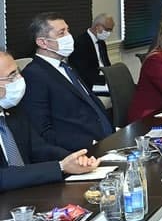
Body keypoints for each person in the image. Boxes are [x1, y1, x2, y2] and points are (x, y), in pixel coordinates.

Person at [0, 51, 100, 192]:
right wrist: (60, 167)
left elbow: (38, 149)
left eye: (18, 72)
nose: (19, 79)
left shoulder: (13, 111)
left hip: (29, 193)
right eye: (12, 76)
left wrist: (73, 158)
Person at [21, 12, 113, 151]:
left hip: (106, 139)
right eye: (61, 33)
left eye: (68, 31)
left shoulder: (66, 66)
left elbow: (89, 102)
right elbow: (43, 130)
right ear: (42, 42)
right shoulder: (34, 75)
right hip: (83, 150)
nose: (69, 36)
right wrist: (89, 143)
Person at [68, 13, 113, 93]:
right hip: (91, 83)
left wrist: (111, 77)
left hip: (105, 78)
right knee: (118, 91)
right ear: (97, 27)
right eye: (107, 29)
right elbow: (82, 72)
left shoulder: (101, 42)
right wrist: (105, 80)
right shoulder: (80, 43)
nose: (109, 33)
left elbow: (106, 64)